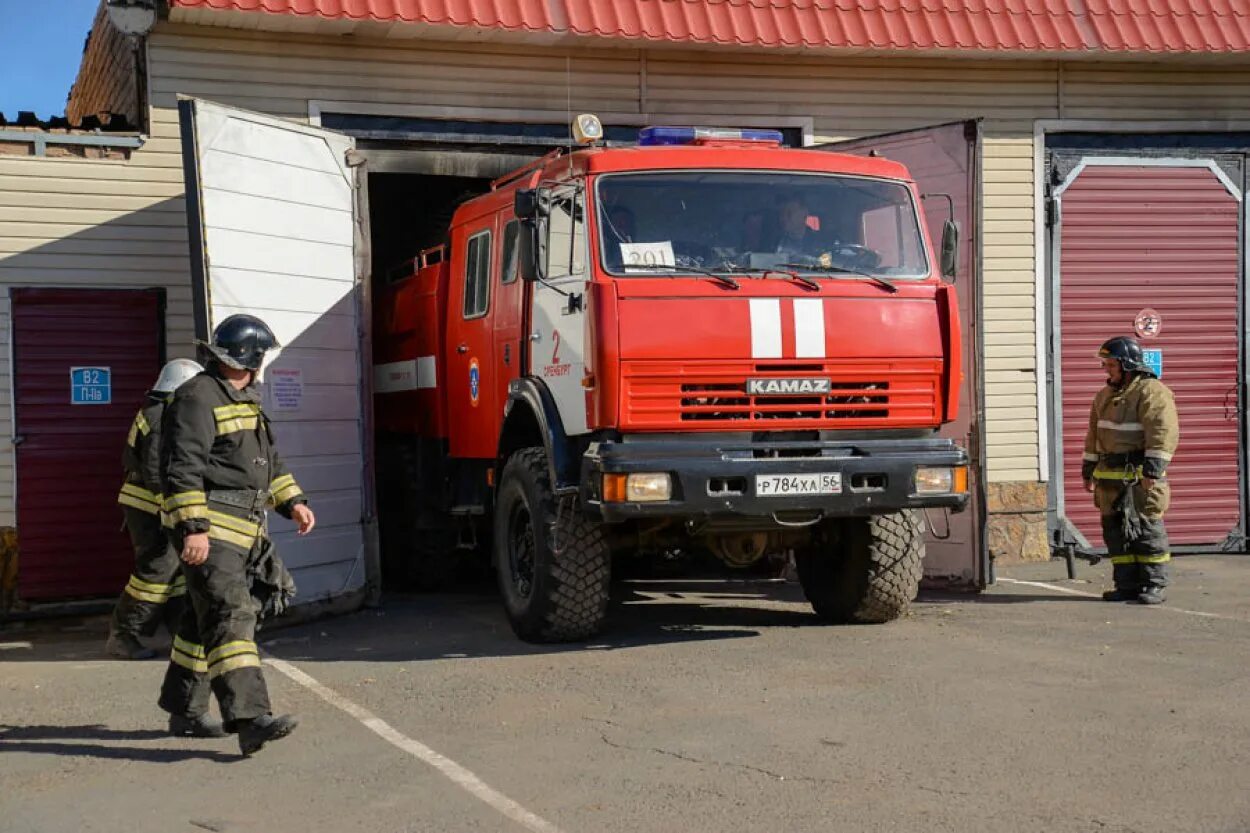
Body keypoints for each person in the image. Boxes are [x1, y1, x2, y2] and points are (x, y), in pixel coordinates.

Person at [156, 314, 315, 753]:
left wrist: (293, 502)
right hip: (212, 532)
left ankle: (185, 709)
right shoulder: (197, 398)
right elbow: (181, 468)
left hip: (242, 532)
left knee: (199, 618)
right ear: (252, 357)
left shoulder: (242, 398)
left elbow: (267, 463)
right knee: (231, 616)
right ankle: (250, 718)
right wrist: (193, 529)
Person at [106, 359, 204, 660]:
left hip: (152, 502)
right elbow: (154, 467)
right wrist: (173, 506)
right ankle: (124, 635)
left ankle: (179, 632)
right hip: (149, 504)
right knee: (155, 571)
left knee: (173, 569)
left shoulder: (159, 409)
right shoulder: (162, 415)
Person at [1082, 336, 1179, 605]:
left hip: (1139, 478)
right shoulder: (1103, 396)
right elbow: (1093, 436)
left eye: (1111, 365)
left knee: (1147, 530)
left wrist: (1153, 470)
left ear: (1127, 365)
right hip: (1109, 480)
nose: (1106, 370)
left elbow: (1163, 432)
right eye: (1105, 364)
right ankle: (1126, 585)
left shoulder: (1152, 392)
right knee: (1116, 534)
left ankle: (1154, 585)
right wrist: (1088, 469)